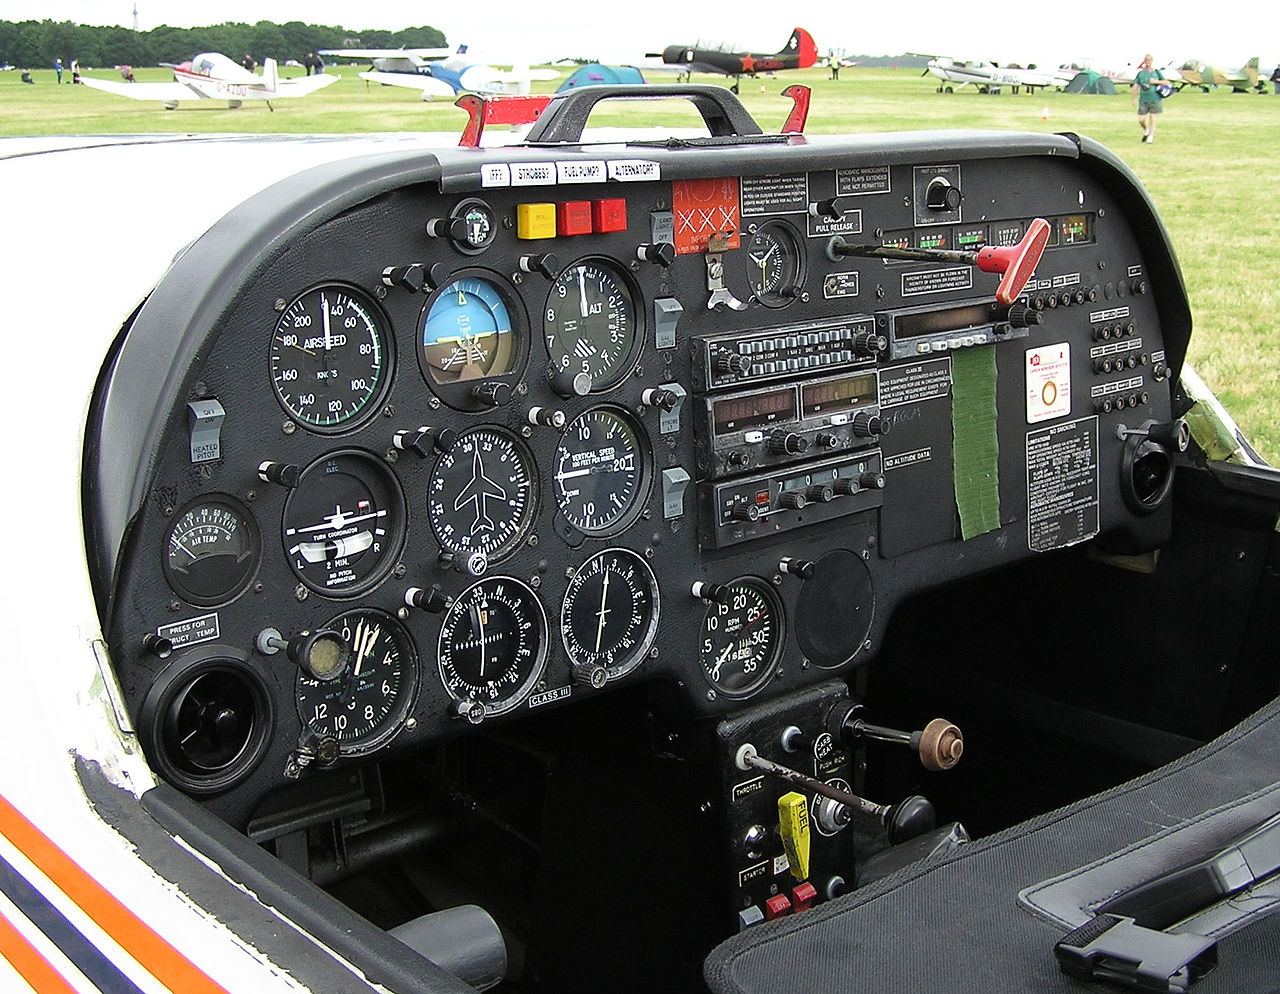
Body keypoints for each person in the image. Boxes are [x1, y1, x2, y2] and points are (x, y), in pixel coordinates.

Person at [1132, 53, 1166, 143]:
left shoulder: (1156, 72)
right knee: (1141, 119)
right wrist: (1134, 98)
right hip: (1144, 98)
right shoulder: (1141, 73)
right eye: (1146, 60)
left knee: (1153, 117)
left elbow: (1166, 82)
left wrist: (1156, 82)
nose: (1148, 62)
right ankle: (1146, 130)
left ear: (1152, 61)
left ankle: (1151, 136)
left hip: (1155, 98)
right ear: (1144, 61)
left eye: (1149, 60)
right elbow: (1135, 86)